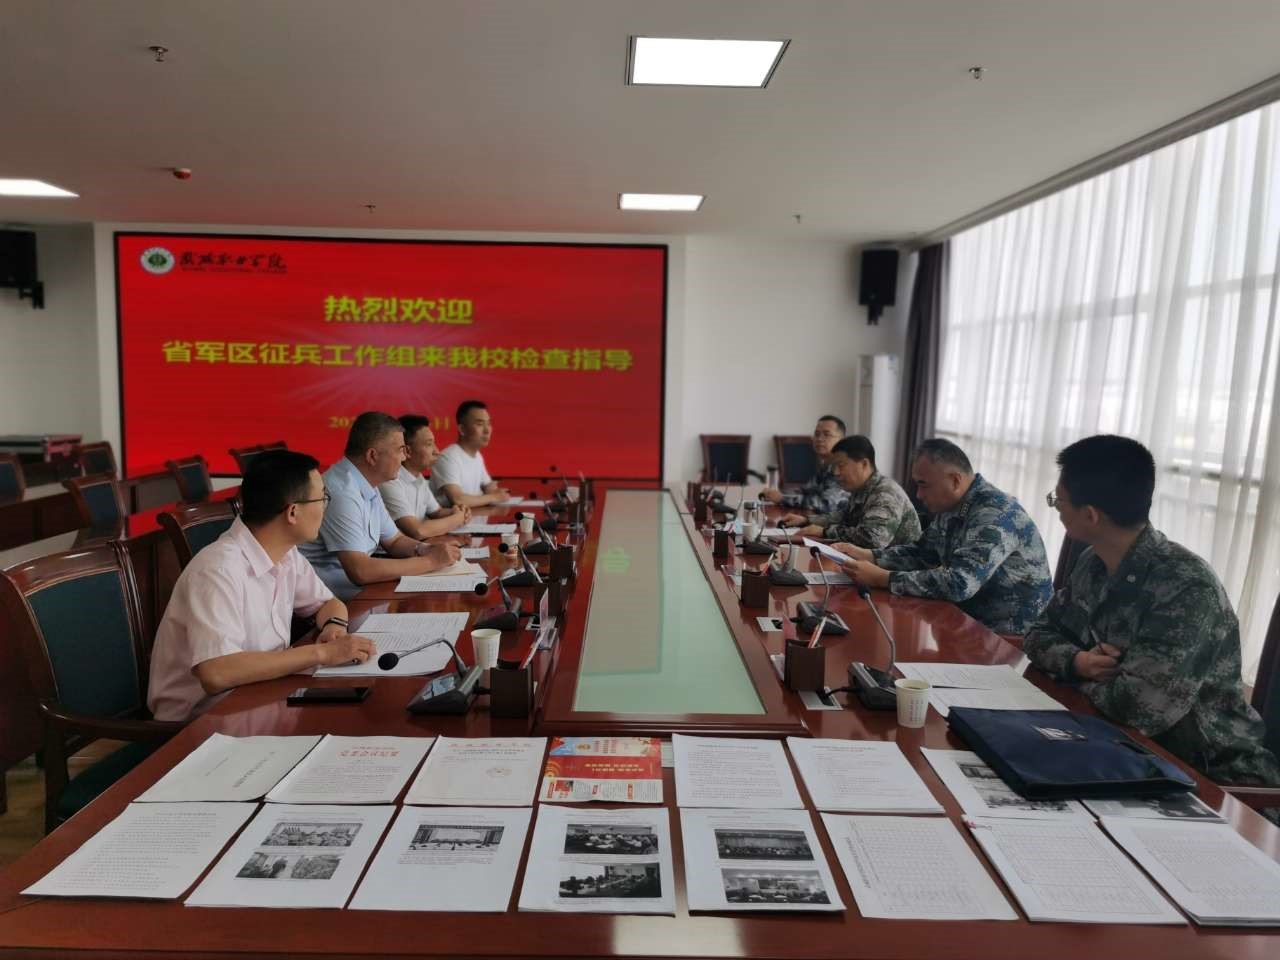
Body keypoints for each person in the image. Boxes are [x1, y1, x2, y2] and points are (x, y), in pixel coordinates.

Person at [1024, 435, 1280, 790]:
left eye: (1058, 500)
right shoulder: (1093, 562)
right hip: (1119, 747)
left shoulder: (1186, 588)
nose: (1056, 509)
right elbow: (1037, 635)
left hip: (1209, 778)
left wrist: (1073, 677)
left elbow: (1139, 709)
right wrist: (1079, 662)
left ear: (1090, 515)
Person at [148, 450, 377, 722]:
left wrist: (333, 628)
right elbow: (216, 673)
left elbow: (328, 603)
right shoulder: (217, 570)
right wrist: (322, 653)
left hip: (260, 699)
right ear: (293, 512)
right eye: (322, 498)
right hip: (198, 725)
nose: (325, 507)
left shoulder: (286, 553)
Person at [836, 438, 1052, 635]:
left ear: (955, 481)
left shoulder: (994, 514)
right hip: (965, 622)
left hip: (1007, 637)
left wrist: (883, 578)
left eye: (923, 485)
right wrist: (871, 556)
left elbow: (960, 583)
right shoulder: (953, 505)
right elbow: (924, 553)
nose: (918, 495)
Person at [300, 411, 462, 599]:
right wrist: (431, 562)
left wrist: (425, 549)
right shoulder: (342, 491)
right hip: (329, 599)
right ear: (372, 456)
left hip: (360, 592)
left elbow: (394, 541)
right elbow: (360, 570)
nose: (404, 458)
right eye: (400, 450)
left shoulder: (367, 482)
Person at [779, 434, 920, 548]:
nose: (835, 472)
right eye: (834, 467)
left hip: (897, 570)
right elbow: (843, 516)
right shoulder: (861, 488)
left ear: (864, 464)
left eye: (841, 465)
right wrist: (806, 520)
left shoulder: (886, 493)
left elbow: (872, 539)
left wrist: (825, 532)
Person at [379, 413, 472, 539]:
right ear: (407, 451)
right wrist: (457, 518)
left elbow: (437, 512)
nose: (437, 451)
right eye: (429, 444)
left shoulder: (419, 478)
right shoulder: (390, 481)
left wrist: (458, 510)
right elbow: (418, 531)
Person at [758, 415, 850, 515]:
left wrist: (782, 499)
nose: (819, 439)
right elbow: (805, 491)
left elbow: (824, 504)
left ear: (841, 440)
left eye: (826, 434)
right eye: (817, 434)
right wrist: (776, 494)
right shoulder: (826, 465)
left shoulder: (842, 468)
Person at [430, 400, 511, 508]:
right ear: (462, 429)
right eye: (480, 424)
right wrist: (494, 497)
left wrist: (495, 491)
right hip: (451, 518)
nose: (487, 430)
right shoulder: (447, 458)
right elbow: (458, 499)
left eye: (488, 423)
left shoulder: (477, 456)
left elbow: (488, 486)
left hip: (473, 517)